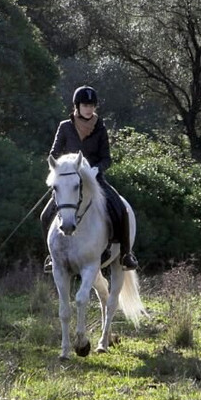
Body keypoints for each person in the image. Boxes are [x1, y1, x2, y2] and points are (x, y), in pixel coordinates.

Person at [41, 85, 138, 270]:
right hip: (69, 181)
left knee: (120, 208)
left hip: (94, 179)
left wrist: (95, 169)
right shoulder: (65, 127)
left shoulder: (100, 127)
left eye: (92, 106)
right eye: (85, 105)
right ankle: (51, 257)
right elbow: (54, 153)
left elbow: (106, 158)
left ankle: (126, 254)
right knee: (45, 215)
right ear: (77, 106)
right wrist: (65, 167)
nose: (89, 109)